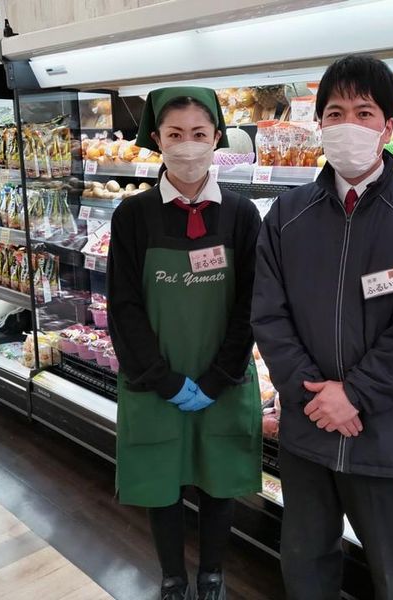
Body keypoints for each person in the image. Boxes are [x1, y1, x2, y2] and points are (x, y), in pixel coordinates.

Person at [251, 55, 393, 600]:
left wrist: (356, 395)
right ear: (319, 124)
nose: (349, 125)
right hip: (308, 429)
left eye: (364, 112)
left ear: (388, 127)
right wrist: (314, 397)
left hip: (386, 432)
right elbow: (269, 315)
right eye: (335, 113)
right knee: (306, 562)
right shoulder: (286, 215)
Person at [107, 86, 263, 600]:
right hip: (157, 378)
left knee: (219, 477)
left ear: (217, 137)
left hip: (222, 375)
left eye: (199, 133)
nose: (188, 145)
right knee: (162, 479)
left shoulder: (241, 214)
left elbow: (250, 304)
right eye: (175, 134)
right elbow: (124, 306)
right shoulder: (133, 216)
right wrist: (163, 379)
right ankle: (173, 577)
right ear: (157, 139)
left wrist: (219, 378)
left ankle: (212, 574)